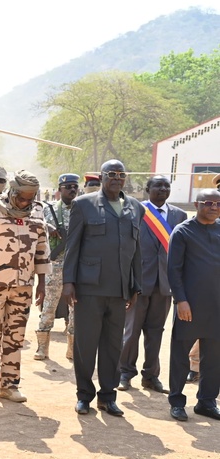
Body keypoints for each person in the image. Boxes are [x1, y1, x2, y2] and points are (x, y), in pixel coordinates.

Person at [63, 159, 143, 417]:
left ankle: (108, 396)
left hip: (119, 289)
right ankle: (84, 395)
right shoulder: (83, 205)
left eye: (121, 173)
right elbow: (72, 247)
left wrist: (135, 285)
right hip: (89, 287)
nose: (116, 178)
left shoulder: (135, 207)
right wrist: (68, 282)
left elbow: (136, 251)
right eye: (111, 173)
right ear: (102, 176)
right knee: (85, 345)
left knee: (112, 347)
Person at [0, 170, 49, 405]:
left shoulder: (37, 211)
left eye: (31, 197)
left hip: (23, 286)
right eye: (22, 197)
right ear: (12, 191)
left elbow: (41, 247)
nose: (25, 202)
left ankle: (9, 385)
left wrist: (41, 282)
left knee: (15, 338)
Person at [118, 176, 186, 393]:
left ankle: (151, 376)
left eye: (166, 185)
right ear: (148, 189)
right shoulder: (135, 210)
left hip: (165, 284)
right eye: (158, 185)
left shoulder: (179, 215)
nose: (163, 189)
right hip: (138, 282)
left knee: (156, 332)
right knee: (131, 331)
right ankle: (125, 373)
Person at [166, 190, 220, 421]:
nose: (214, 207)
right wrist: (181, 301)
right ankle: (177, 401)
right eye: (208, 203)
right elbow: (173, 270)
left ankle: (206, 402)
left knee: (214, 357)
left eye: (218, 203)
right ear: (197, 204)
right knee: (180, 355)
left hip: (217, 306)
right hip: (189, 306)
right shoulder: (183, 232)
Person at [35, 173, 79, 361]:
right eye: (68, 186)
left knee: (76, 308)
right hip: (55, 265)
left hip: (77, 266)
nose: (72, 189)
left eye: (75, 186)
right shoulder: (49, 210)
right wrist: (49, 228)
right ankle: (42, 348)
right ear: (59, 189)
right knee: (49, 306)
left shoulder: (83, 209)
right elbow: (36, 224)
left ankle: (71, 349)